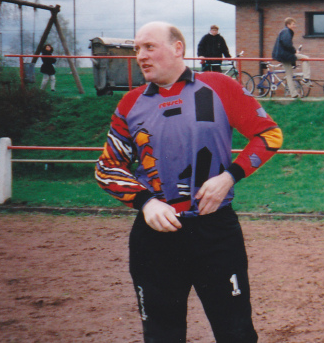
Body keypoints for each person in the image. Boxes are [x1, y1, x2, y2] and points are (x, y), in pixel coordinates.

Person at [94, 21, 283, 343]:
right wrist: (145, 202)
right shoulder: (130, 103)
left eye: (149, 47)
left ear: (178, 48)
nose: (140, 55)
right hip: (155, 238)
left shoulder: (219, 86)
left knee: (236, 332)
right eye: (137, 48)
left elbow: (269, 135)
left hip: (215, 232)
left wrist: (230, 176)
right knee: (161, 335)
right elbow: (107, 167)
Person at [271, 17, 310, 98]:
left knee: (289, 75)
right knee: (306, 58)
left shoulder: (284, 31)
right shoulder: (287, 31)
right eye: (293, 24)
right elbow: (287, 44)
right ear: (288, 25)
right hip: (286, 55)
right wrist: (294, 51)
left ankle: (293, 93)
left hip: (282, 56)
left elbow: (284, 44)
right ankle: (306, 78)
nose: (294, 26)